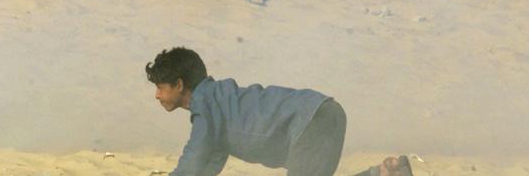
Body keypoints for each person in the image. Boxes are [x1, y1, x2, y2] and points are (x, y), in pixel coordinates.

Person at [146, 47, 416, 176]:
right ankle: (383, 174)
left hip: (310, 122)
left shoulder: (205, 105)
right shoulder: (217, 103)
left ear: (179, 85)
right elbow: (205, 166)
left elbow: (194, 159)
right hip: (321, 114)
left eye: (160, 87)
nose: (157, 95)